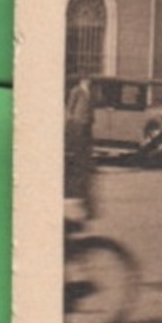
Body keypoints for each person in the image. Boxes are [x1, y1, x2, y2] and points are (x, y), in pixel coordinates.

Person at [64, 77, 94, 219]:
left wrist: (92, 119)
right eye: (87, 80)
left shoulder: (89, 92)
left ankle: (83, 155)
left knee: (86, 142)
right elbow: (70, 106)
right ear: (82, 81)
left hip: (87, 121)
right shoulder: (76, 91)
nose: (89, 82)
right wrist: (70, 119)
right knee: (79, 143)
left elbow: (90, 107)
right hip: (78, 121)